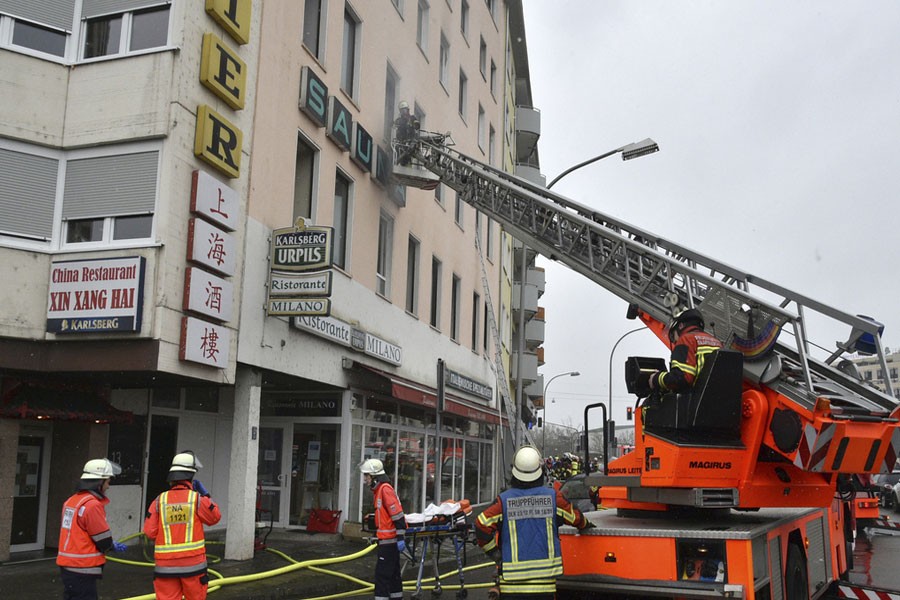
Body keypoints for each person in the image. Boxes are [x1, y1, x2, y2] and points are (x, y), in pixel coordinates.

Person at [475, 445, 593, 599]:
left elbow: (481, 525)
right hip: (544, 588)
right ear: (540, 471)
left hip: (512, 588)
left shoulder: (503, 501)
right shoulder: (553, 498)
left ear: (514, 472)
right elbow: (575, 517)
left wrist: (496, 554)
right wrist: (586, 525)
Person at [143, 451, 221, 600]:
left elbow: (149, 532)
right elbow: (215, 517)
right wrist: (205, 495)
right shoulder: (197, 499)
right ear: (191, 477)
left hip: (165, 569)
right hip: (193, 568)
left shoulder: (159, 500)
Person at [57, 458, 126, 600]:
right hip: (83, 567)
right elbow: (102, 539)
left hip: (68, 566)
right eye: (108, 481)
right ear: (99, 482)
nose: (108, 486)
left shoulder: (72, 501)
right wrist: (111, 546)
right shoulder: (92, 505)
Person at [360, 458, 407, 600]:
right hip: (389, 541)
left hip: (389, 541)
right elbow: (387, 513)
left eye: (367, 476)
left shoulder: (384, 490)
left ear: (374, 476)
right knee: (393, 575)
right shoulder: (380, 490)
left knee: (382, 576)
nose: (365, 479)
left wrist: (400, 537)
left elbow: (397, 515)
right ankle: (396, 597)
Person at [647, 307, 723, 394]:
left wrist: (656, 378)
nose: (675, 341)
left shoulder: (686, 339)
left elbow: (681, 379)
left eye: (673, 335)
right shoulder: (717, 342)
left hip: (698, 401)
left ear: (680, 326)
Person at [393, 100, 420, 165]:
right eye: (401, 110)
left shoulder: (412, 118)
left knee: (409, 156)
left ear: (407, 110)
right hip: (402, 142)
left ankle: (407, 162)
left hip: (411, 141)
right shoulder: (399, 120)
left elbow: (417, 125)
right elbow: (393, 126)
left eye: (404, 110)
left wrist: (413, 124)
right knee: (401, 157)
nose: (403, 112)